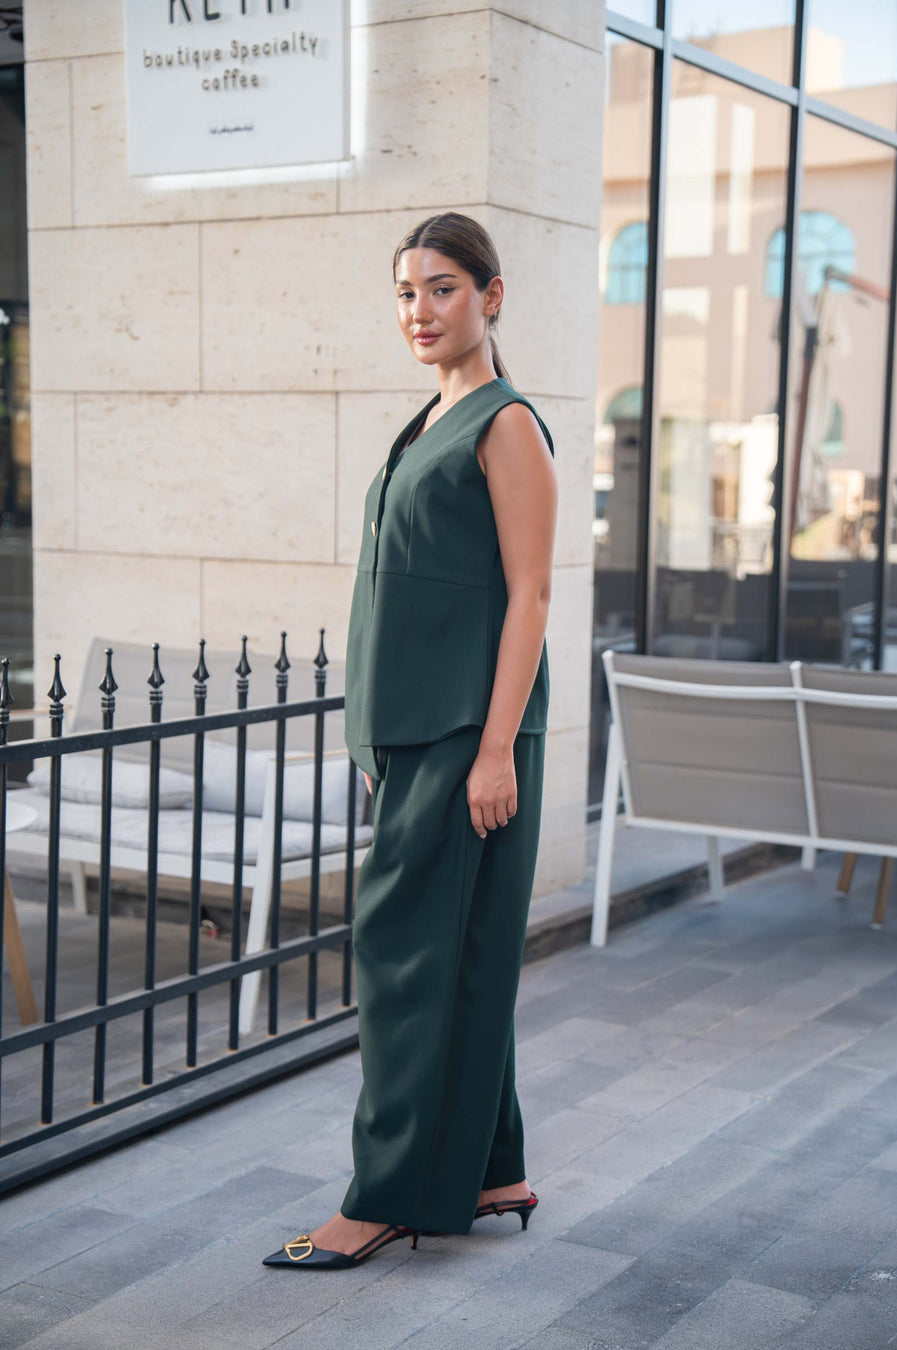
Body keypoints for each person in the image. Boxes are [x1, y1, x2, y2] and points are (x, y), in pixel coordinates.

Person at [263, 211, 557, 1270]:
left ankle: (384, 1197)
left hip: (464, 739)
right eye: (405, 292)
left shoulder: (506, 423)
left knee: (401, 960)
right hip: (418, 735)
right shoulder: (428, 419)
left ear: (491, 296)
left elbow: (528, 598)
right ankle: (491, 1168)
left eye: (441, 288)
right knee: (463, 955)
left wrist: (494, 749)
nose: (419, 311)